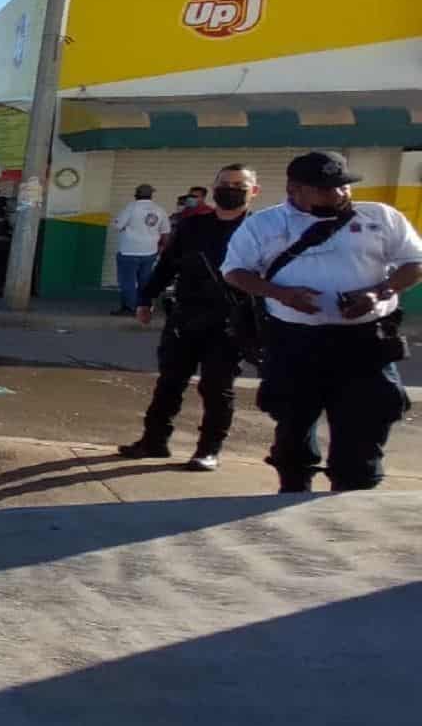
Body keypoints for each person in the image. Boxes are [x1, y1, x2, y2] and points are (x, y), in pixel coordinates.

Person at [222, 151, 422, 493]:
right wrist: (279, 293)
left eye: (344, 186)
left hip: (365, 342)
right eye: (326, 188)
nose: (339, 194)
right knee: (292, 422)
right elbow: (235, 271)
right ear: (294, 189)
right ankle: (293, 485)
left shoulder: (381, 217)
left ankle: (354, 491)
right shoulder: (264, 224)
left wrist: (379, 291)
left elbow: (414, 262)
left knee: (368, 420)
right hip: (295, 342)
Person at [119, 165, 260, 470]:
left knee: (217, 387)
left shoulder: (260, 231)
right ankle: (153, 441)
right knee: (169, 382)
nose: (231, 189)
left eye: (239, 185)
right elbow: (168, 264)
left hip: (230, 322)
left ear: (254, 191)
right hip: (186, 316)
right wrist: (146, 298)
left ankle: (208, 450)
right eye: (225, 183)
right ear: (214, 187)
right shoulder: (194, 226)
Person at [109, 183, 170, 314]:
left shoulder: (131, 207)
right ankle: (142, 308)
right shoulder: (160, 210)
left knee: (127, 282)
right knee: (145, 281)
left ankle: (131, 308)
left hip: (129, 251)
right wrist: (163, 247)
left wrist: (124, 226)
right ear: (151, 194)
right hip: (150, 252)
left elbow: (118, 226)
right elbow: (165, 232)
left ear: (136, 194)